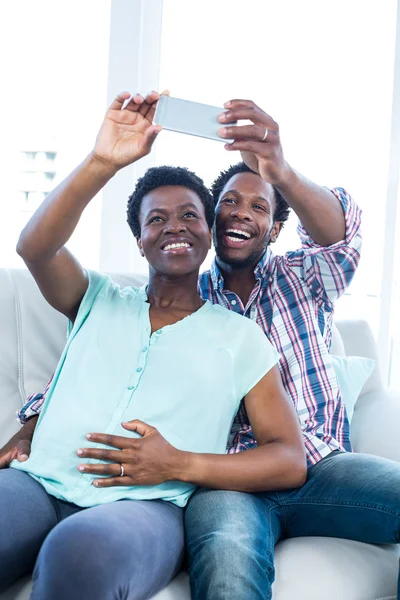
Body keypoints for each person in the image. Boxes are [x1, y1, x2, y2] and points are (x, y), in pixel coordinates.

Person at [5, 96, 400, 598]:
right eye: (229, 203)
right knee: (230, 569)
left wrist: (281, 170)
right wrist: (36, 422)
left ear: (274, 227)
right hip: (224, 479)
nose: (241, 213)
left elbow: (339, 237)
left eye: (259, 206)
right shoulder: (149, 296)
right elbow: (111, 366)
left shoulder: (296, 283)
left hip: (315, 464)